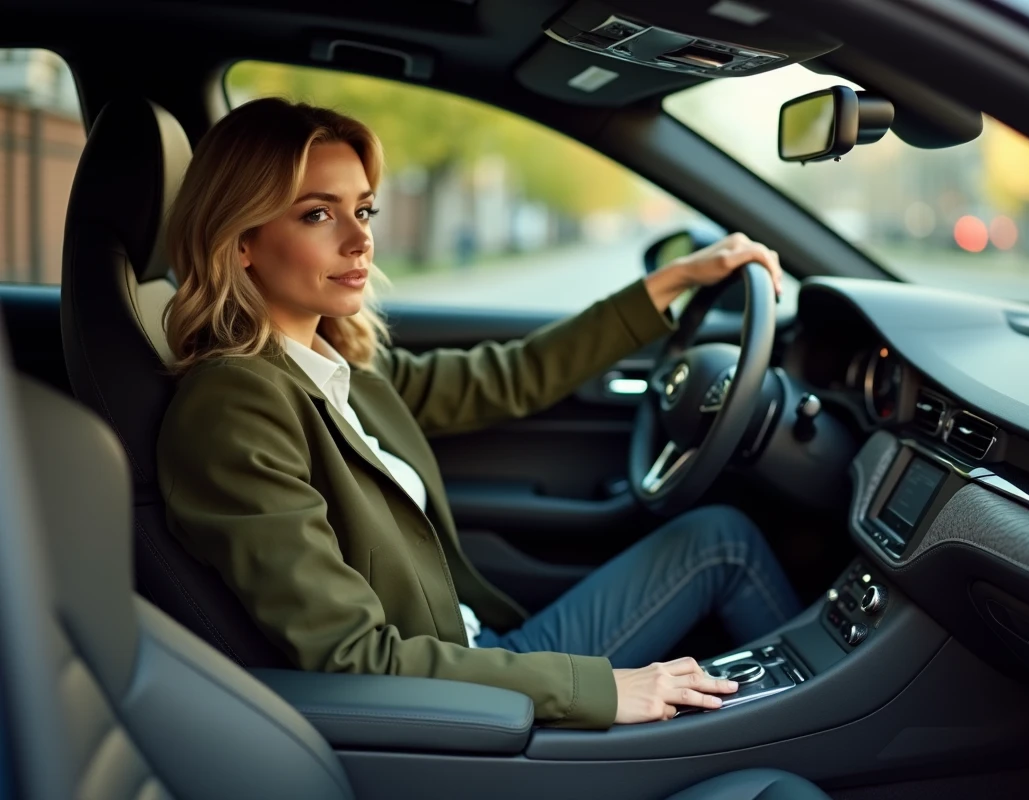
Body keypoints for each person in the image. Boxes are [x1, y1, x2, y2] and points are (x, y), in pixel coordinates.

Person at [157, 98, 801, 730]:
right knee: (727, 549)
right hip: (464, 707)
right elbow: (351, 656)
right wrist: (602, 690)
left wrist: (674, 280)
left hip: (480, 656)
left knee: (720, 537)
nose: (360, 240)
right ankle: (835, 741)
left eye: (364, 209)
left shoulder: (330, 368)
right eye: (319, 214)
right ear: (241, 241)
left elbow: (509, 376)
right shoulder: (234, 405)